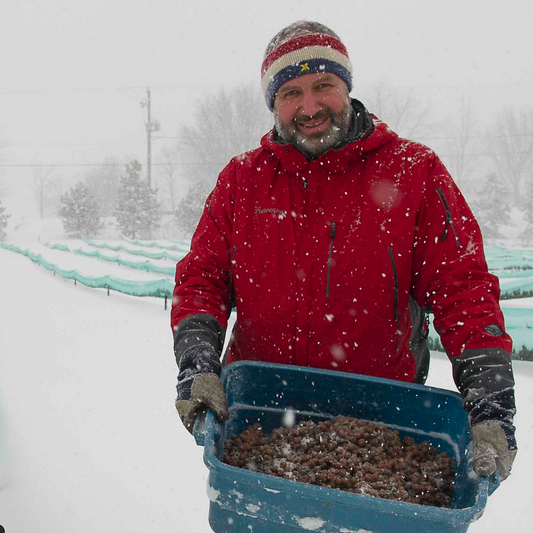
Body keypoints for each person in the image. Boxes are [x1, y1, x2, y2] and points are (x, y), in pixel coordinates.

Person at [171, 21, 517, 481]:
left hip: (381, 424)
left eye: (323, 86)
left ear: (346, 87)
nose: (309, 106)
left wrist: (490, 406)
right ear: (272, 102)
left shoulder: (414, 172)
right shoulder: (242, 181)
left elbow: (464, 291)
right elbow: (201, 281)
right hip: (261, 420)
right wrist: (197, 364)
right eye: (291, 92)